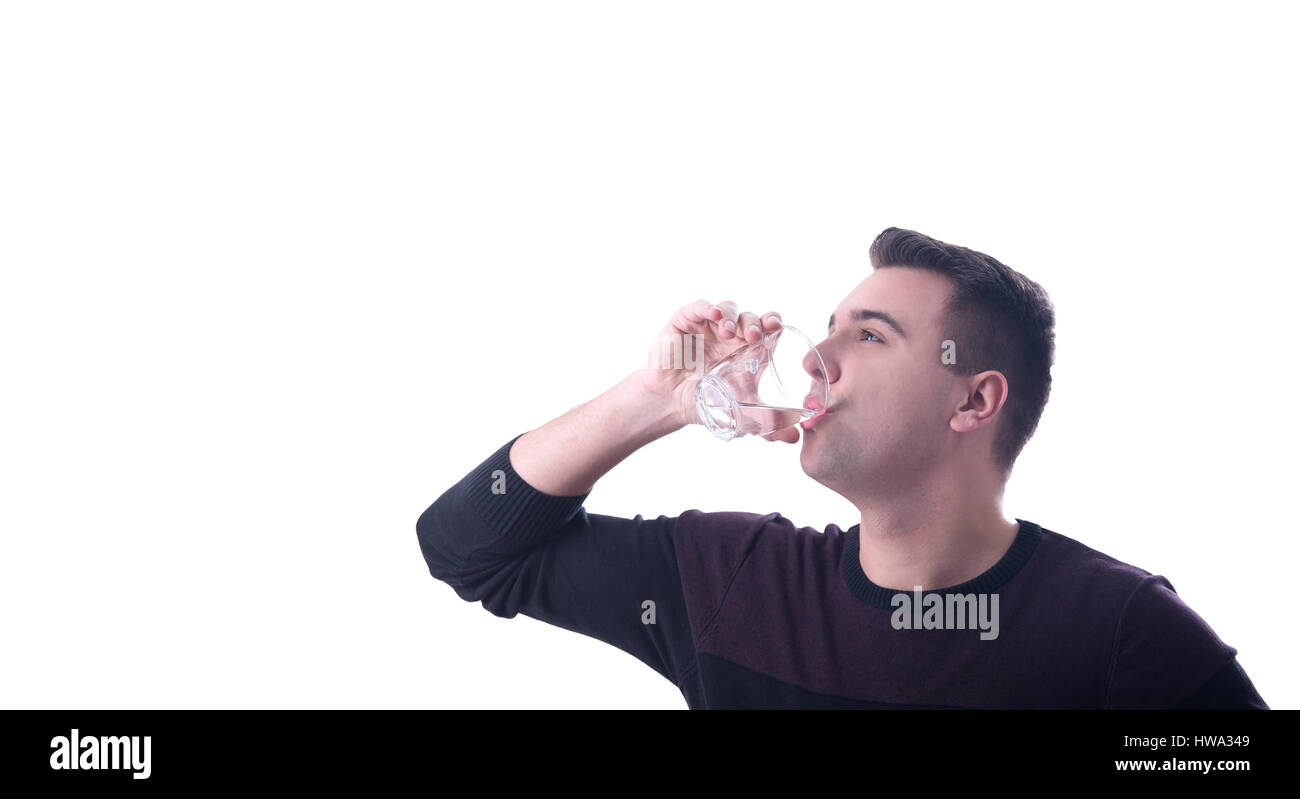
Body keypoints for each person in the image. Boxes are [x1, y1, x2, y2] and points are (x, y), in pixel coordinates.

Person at [415, 227, 1268, 709]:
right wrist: (659, 397)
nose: (813, 357)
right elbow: (468, 547)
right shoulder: (733, 583)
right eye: (827, 326)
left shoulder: (1118, 631)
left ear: (973, 403)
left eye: (869, 334)